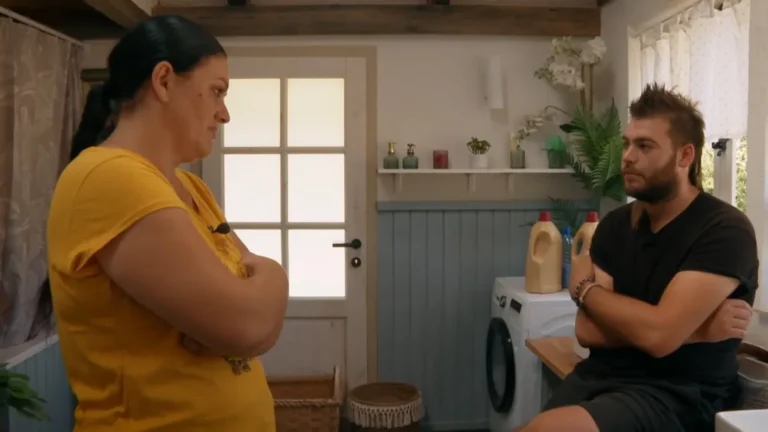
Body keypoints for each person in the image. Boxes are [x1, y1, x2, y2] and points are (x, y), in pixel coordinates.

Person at [46, 15, 288, 431]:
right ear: (163, 81)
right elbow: (247, 325)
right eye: (217, 91)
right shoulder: (109, 178)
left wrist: (253, 303)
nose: (225, 114)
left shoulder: (190, 187)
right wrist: (275, 278)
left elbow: (249, 315)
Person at [516, 84, 759, 432]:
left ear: (685, 156)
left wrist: (584, 289)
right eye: (627, 144)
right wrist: (695, 330)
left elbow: (658, 337)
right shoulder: (616, 225)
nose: (628, 157)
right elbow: (587, 331)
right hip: (600, 377)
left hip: (678, 394)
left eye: (645, 146)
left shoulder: (723, 230)